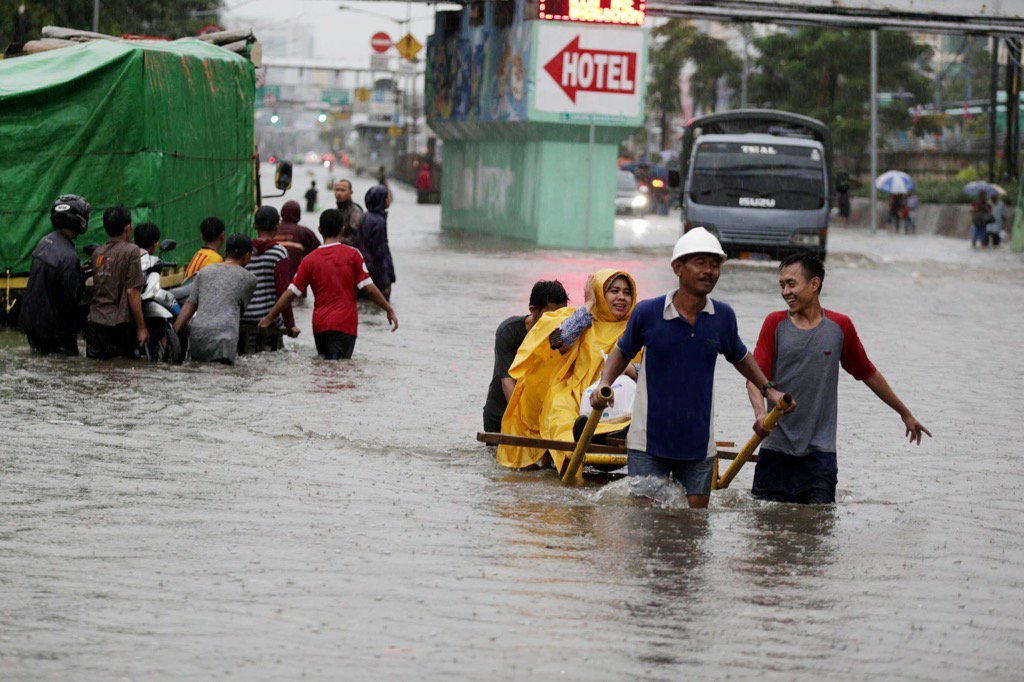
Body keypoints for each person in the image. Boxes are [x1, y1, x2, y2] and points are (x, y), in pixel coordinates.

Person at [591, 228, 792, 509]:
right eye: (700, 262)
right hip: (649, 444)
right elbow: (622, 352)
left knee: (694, 528)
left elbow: (742, 357)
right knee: (645, 526)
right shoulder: (648, 313)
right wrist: (604, 383)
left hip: (698, 446)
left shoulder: (722, 316)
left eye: (714, 264)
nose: (708, 271)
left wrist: (768, 390)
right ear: (677, 267)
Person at [746, 253, 931, 504]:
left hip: (820, 455)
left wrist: (904, 413)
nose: (785, 292)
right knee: (767, 532)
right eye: (782, 285)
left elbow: (868, 373)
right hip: (776, 450)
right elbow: (755, 378)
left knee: (819, 533)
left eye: (791, 284)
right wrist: (760, 414)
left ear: (814, 284)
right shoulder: (774, 324)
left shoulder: (839, 327)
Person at [497, 269, 639, 471]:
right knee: (559, 413)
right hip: (574, 392)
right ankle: (580, 439)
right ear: (599, 293)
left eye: (627, 293)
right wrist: (589, 305)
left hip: (620, 395)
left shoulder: (637, 325)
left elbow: (657, 366)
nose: (621, 298)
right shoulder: (583, 319)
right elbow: (559, 341)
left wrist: (632, 370)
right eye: (614, 291)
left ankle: (611, 431)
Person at [258, 208, 398, 360]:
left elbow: (291, 293)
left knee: (324, 371)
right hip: (345, 325)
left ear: (319, 230)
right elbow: (369, 289)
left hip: (320, 326)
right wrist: (389, 309)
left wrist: (270, 317)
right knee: (340, 373)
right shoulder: (353, 255)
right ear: (343, 229)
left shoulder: (309, 260)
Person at [482, 280, 569, 434]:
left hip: (541, 419)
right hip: (501, 414)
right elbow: (507, 381)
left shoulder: (562, 336)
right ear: (533, 310)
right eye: (550, 315)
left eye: (561, 315)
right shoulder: (509, 331)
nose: (556, 321)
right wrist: (520, 421)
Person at [20, 194, 90, 356]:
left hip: (33, 323)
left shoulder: (44, 242)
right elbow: (74, 297)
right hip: (54, 331)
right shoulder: (69, 256)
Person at [173, 234, 257, 364]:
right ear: (248, 255)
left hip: (197, 335)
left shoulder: (204, 271)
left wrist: (173, 333)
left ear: (225, 252)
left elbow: (190, 305)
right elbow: (239, 312)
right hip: (224, 338)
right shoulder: (250, 279)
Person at [84, 205, 147, 359]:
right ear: (128, 228)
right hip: (119, 327)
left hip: (95, 324)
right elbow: (132, 292)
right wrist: (141, 327)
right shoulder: (131, 251)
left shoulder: (97, 253)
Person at [241, 206, 298, 339]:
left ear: (255, 226)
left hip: (243, 318)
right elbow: (283, 292)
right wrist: (290, 324)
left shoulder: (244, 250)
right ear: (276, 227)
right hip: (267, 320)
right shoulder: (278, 252)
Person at [358, 185, 396, 299]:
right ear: (382, 200)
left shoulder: (364, 217)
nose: (389, 200)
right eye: (388, 197)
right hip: (375, 274)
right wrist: (385, 282)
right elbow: (380, 253)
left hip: (365, 272)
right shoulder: (379, 222)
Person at [276, 200, 321, 279]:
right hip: (296, 282)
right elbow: (318, 252)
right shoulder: (304, 232)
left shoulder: (273, 230)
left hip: (275, 281)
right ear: (299, 215)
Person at [334, 179, 364, 247]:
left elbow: (357, 237)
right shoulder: (336, 210)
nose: (339, 193)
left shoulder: (355, 211)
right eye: (337, 190)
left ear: (351, 192)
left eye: (343, 190)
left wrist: (337, 242)